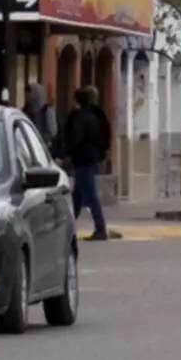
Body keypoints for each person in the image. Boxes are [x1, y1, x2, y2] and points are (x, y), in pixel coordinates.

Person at [60, 87, 111, 241]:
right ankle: (68, 228)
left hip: (84, 160)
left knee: (90, 196)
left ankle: (100, 229)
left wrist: (66, 155)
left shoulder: (81, 118)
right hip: (90, 158)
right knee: (78, 195)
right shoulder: (94, 115)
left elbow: (76, 139)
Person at [22, 82, 58, 149]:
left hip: (44, 147)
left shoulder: (47, 109)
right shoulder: (27, 109)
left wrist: (39, 140)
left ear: (35, 94)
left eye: (29, 94)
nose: (27, 97)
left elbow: (52, 131)